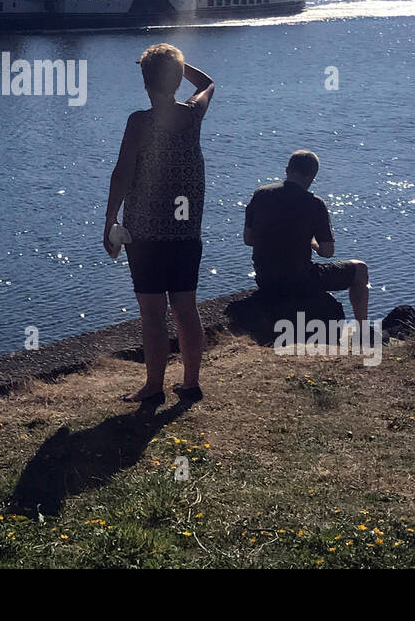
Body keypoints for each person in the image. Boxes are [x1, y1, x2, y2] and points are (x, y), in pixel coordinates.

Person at [104, 44, 214, 404]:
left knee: (153, 313)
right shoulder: (192, 114)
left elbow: (122, 174)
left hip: (147, 231)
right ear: (177, 81)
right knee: (186, 307)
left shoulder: (140, 121)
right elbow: (208, 83)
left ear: (145, 82)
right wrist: (177, 66)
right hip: (186, 230)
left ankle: (154, 387)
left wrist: (110, 219)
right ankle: (191, 383)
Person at [243, 150, 368, 323]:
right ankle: (362, 330)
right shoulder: (315, 204)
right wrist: (312, 242)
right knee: (360, 269)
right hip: (299, 282)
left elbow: (248, 239)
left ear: (287, 170)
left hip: (265, 280)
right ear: (313, 176)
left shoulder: (261, 194)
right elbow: (327, 252)